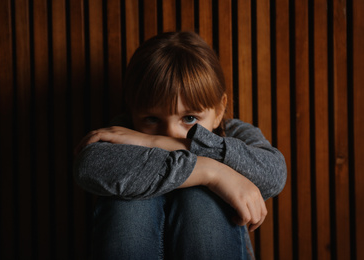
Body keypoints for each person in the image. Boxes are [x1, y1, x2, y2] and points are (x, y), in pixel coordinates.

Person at [73, 31, 287, 260]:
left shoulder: (233, 132)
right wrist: (211, 172)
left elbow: (274, 173)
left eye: (190, 118)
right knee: (128, 204)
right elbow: (88, 166)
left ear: (219, 110)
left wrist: (155, 142)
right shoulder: (124, 131)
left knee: (200, 200)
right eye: (152, 119)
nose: (171, 132)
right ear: (132, 111)